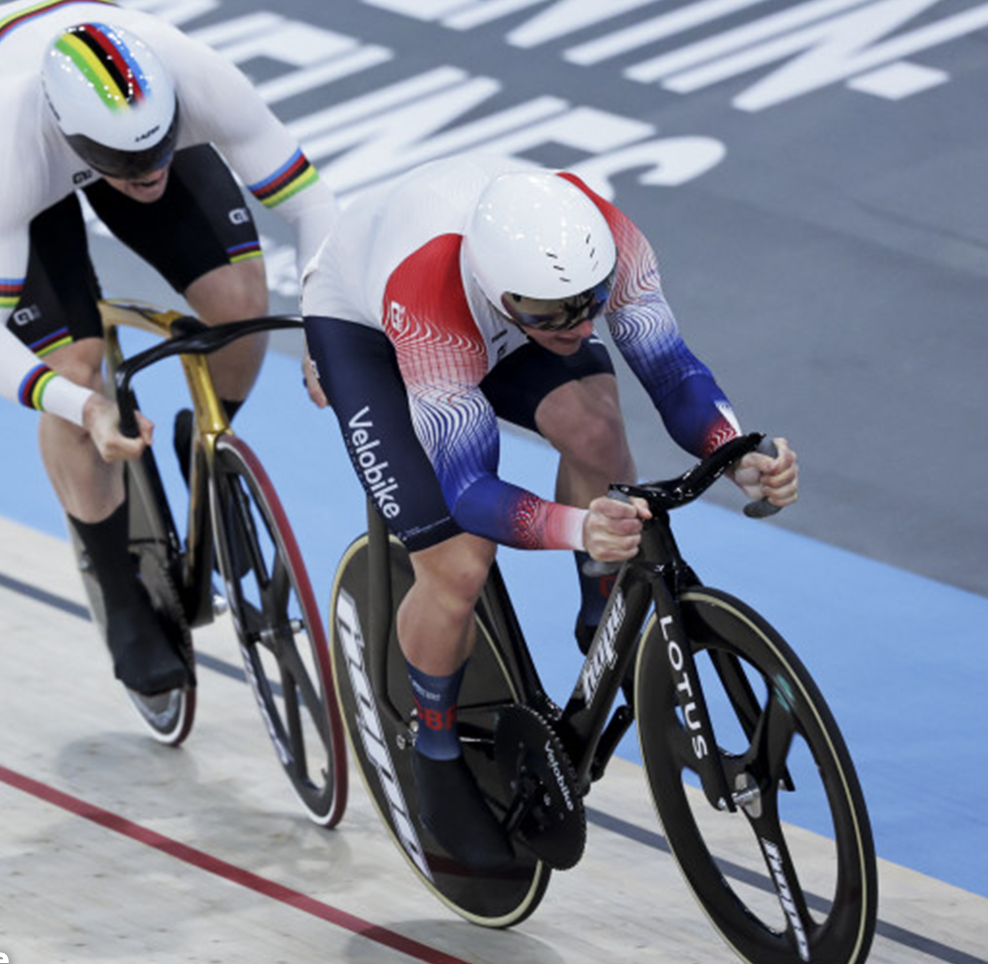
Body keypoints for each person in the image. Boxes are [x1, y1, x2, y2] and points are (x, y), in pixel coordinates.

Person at [301, 155, 797, 867]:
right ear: (505, 295)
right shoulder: (432, 298)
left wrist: (735, 448)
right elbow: (469, 488)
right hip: (374, 331)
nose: (576, 326)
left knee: (598, 433)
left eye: (591, 304)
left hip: (495, 317)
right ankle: (434, 749)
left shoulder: (607, 244)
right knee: (459, 566)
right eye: (552, 315)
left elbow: (671, 368)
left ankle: (602, 614)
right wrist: (576, 526)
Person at [0, 0, 337, 696]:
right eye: (127, 164)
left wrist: (331, 329)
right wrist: (82, 408)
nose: (150, 173)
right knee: (75, 364)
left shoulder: (192, 76)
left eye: (160, 151)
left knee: (240, 300)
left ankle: (204, 442)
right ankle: (121, 591)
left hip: (114, 101)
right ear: (74, 141)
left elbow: (311, 203)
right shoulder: (12, 144)